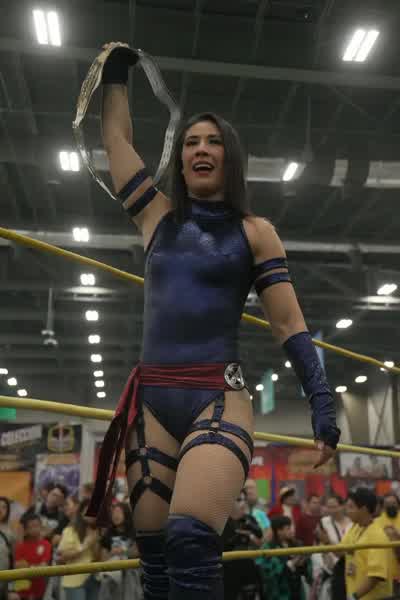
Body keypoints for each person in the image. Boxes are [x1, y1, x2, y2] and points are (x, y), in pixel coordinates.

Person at [87, 41, 340, 600]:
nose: (201, 148)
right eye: (191, 142)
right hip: (152, 403)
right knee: (154, 560)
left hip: (216, 398)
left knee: (190, 540)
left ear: (231, 157)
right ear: (179, 159)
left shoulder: (256, 232)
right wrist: (117, 76)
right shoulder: (156, 217)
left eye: (214, 141)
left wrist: (322, 403)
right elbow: (116, 143)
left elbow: (288, 325)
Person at [342, 487, 392, 600]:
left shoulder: (377, 536)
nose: (347, 511)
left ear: (363, 509)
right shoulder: (355, 528)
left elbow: (375, 576)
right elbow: (341, 550)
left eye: (351, 507)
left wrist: (354, 597)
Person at [222, 489, 263, 600]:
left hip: (248, 566)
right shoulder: (222, 521)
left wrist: (250, 536)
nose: (243, 503)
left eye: (245, 500)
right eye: (239, 500)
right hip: (227, 571)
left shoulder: (249, 520)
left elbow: (260, 542)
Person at [258, 515, 312, 599]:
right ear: (279, 531)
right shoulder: (268, 548)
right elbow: (265, 570)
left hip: (297, 589)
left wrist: (303, 564)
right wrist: (289, 564)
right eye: (288, 528)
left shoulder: (297, 544)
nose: (291, 531)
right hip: (279, 592)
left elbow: (307, 570)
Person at [57, 499, 99, 600]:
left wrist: (95, 544)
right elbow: (63, 556)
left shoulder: (97, 531)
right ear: (81, 512)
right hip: (74, 580)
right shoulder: (70, 530)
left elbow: (97, 557)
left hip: (93, 578)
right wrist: (84, 546)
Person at [318, 494, 352, 600]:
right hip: (333, 568)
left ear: (342, 506)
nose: (331, 510)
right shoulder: (324, 522)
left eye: (334, 507)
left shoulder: (353, 522)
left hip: (352, 565)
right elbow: (322, 543)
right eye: (328, 507)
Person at [14, 514, 52, 600]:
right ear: (26, 530)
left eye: (36, 526)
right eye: (31, 527)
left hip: (39, 588)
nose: (34, 529)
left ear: (41, 526)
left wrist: (28, 565)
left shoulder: (46, 544)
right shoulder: (20, 546)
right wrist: (35, 566)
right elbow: (18, 565)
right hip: (22, 590)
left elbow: (43, 566)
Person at [375, 493, 400, 594]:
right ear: (383, 507)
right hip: (385, 575)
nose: (391, 506)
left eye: (393, 503)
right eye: (388, 504)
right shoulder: (376, 522)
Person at [0, 498, 14, 600]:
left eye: (4, 507)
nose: (0, 509)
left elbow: (13, 560)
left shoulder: (11, 533)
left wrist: (11, 589)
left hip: (4, 578)